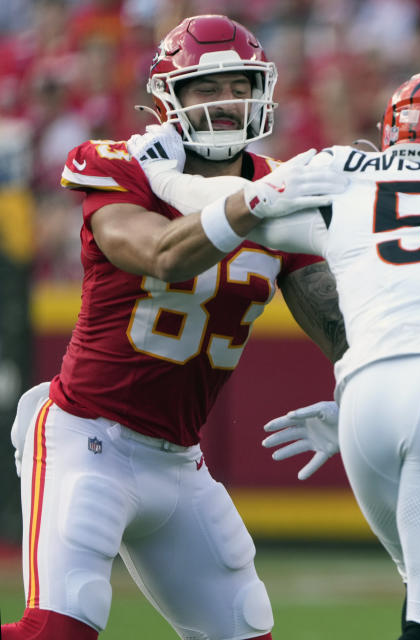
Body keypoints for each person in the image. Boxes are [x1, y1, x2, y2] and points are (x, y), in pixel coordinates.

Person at [134, 70, 420, 640]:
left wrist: (161, 174)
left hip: (364, 400)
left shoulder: (344, 173)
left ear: (390, 133)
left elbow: (231, 207)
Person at [3, 14, 347, 640]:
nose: (226, 102)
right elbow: (161, 254)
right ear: (170, 98)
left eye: (238, 85)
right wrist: (255, 203)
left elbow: (334, 320)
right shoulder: (125, 166)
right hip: (88, 438)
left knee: (244, 632)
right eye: (206, 88)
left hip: (179, 460)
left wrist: (365, 390)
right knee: (56, 630)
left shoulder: (276, 185)